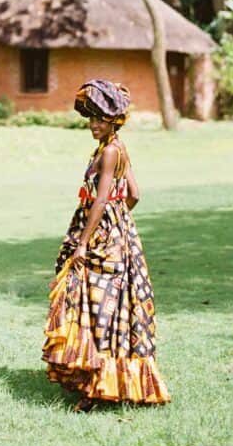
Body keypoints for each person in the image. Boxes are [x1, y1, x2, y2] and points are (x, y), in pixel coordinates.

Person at [42, 78, 170, 411]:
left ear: (114, 120)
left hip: (100, 241)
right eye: (90, 118)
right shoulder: (115, 147)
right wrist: (118, 222)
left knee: (99, 310)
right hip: (117, 238)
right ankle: (100, 379)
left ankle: (97, 387)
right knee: (105, 309)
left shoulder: (110, 151)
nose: (93, 125)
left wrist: (87, 241)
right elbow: (134, 194)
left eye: (99, 119)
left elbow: (100, 201)